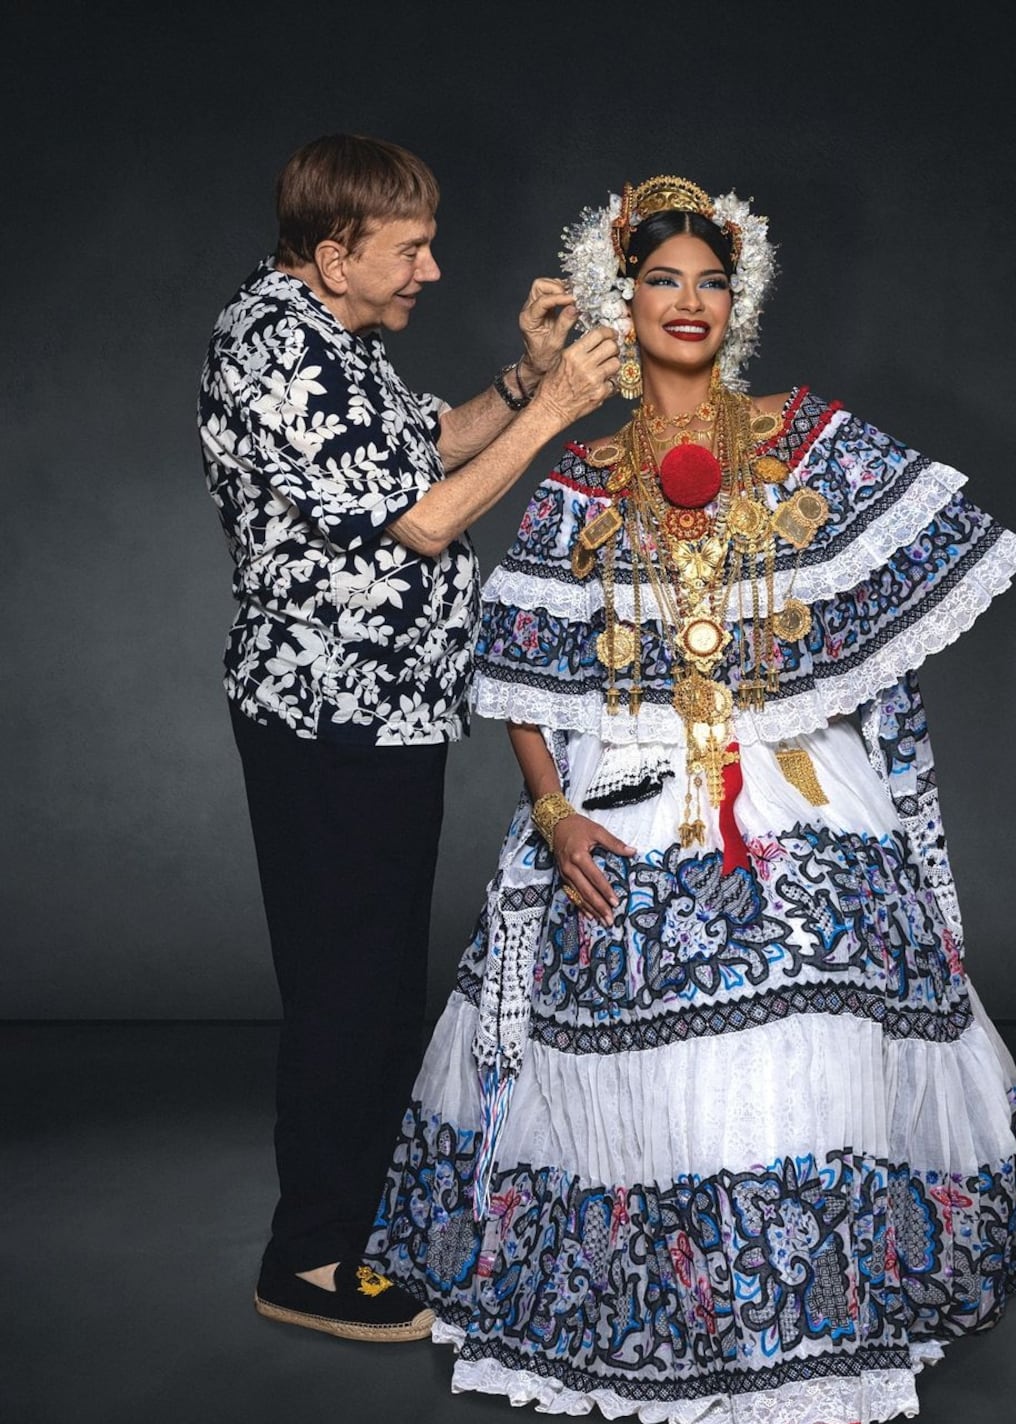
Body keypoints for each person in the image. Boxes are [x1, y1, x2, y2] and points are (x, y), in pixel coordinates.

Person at [366, 175, 1016, 1424]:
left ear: (735, 304)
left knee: (821, 998)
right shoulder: (581, 478)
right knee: (638, 1003)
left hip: (796, 787)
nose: (689, 302)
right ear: (619, 303)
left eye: (710, 282)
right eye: (662, 282)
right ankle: (715, 1313)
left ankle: (811, 1357)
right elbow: (520, 670)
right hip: (626, 794)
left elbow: (894, 612)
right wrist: (553, 809)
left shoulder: (808, 439)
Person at [196, 134, 619, 1342]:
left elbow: (426, 449)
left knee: (377, 983)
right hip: (328, 717)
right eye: (410, 250)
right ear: (335, 257)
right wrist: (559, 411)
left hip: (386, 713)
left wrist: (523, 380)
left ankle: (359, 1231)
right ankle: (308, 1261)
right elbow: (425, 522)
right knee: (347, 986)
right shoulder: (274, 344)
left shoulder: (333, 339)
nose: (431, 270)